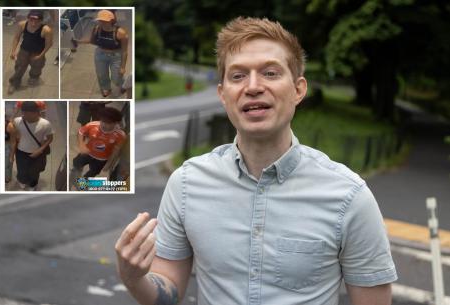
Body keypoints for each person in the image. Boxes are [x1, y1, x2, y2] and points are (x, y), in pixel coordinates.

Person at [115, 17, 397, 305]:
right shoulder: (186, 184)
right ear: (223, 94)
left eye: (270, 73)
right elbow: (168, 290)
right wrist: (134, 278)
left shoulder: (349, 196)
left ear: (299, 89)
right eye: (237, 76)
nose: (252, 86)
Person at [74, 9, 129, 98]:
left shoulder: (121, 33)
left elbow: (125, 51)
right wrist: (78, 42)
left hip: (116, 57)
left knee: (116, 77)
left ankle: (123, 85)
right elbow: (91, 41)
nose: (102, 23)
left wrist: (123, 67)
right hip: (100, 54)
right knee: (101, 74)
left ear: (111, 20)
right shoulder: (96, 29)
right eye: (100, 20)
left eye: (105, 21)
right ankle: (106, 88)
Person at [72, 107, 126, 179]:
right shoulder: (92, 125)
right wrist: (82, 145)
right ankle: (76, 171)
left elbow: (116, 151)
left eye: (108, 123)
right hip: (87, 153)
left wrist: (109, 164)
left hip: (101, 160)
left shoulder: (120, 135)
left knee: (93, 172)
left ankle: (83, 183)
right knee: (76, 163)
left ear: (115, 123)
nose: (104, 125)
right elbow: (80, 132)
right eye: (103, 121)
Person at [9, 101, 53, 191]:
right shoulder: (17, 121)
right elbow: (13, 139)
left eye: (28, 114)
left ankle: (33, 184)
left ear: (37, 113)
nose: (25, 117)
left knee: (35, 172)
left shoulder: (45, 124)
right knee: (21, 170)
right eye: (23, 113)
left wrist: (40, 150)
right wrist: (12, 155)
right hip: (20, 151)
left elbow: (50, 138)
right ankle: (22, 181)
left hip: (37, 152)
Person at [7, 10, 53, 95]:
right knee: (20, 67)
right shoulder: (22, 24)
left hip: (37, 52)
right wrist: (13, 51)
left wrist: (41, 55)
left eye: (37, 21)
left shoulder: (46, 30)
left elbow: (49, 44)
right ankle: (14, 83)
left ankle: (34, 77)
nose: (33, 23)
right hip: (24, 50)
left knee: (37, 66)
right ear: (28, 18)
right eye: (31, 20)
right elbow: (16, 37)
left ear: (41, 20)